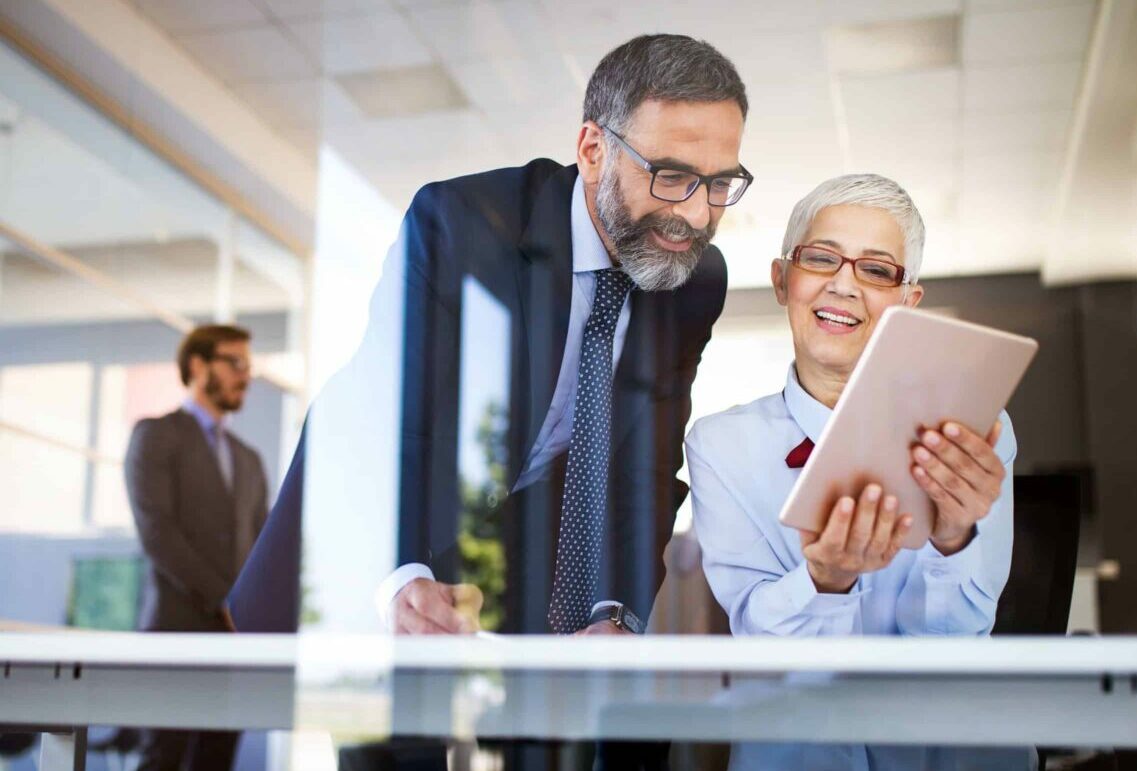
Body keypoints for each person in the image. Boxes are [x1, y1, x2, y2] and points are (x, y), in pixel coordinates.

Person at [227, 33, 750, 769]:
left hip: (527, 531)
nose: (695, 215)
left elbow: (646, 464)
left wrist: (616, 611)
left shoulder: (695, 280)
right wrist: (401, 578)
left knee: (587, 732)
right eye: (671, 175)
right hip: (379, 511)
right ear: (593, 148)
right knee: (393, 741)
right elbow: (388, 423)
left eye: (720, 182)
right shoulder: (463, 222)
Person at [686, 174, 1029, 769]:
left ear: (907, 302)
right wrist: (825, 578)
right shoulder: (720, 446)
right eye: (821, 259)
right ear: (782, 280)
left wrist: (952, 539)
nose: (844, 284)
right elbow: (766, 651)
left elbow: (951, 645)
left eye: (876, 271)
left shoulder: (971, 428)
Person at [125, 324, 268, 771]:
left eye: (249, 365)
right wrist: (225, 597)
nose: (245, 375)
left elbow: (262, 548)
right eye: (235, 363)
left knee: (216, 763)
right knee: (163, 762)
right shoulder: (156, 435)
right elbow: (157, 533)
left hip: (233, 646)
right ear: (198, 365)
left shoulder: (249, 459)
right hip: (174, 636)